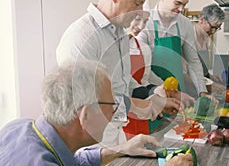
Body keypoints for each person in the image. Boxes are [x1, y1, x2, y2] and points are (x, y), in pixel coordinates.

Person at [0, 60, 193, 166]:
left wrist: (121, 148)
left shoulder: (19, 127)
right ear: (85, 115)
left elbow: (76, 161)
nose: (114, 111)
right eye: (111, 105)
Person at [56, 0, 187, 146]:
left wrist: (153, 95)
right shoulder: (82, 36)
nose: (140, 11)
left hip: (117, 132)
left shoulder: (120, 35)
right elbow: (86, 101)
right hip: (91, 139)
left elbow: (126, 82)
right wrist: (142, 106)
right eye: (137, 3)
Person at [136, 0, 209, 98]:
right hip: (152, 92)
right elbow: (143, 67)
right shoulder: (144, 23)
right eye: (177, 3)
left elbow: (193, 61)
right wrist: (166, 90)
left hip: (178, 91)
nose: (181, 9)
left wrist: (202, 91)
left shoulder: (185, 24)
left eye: (184, 5)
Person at [193, 4, 226, 95]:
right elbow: (185, 72)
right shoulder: (189, 36)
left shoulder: (206, 38)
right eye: (212, 27)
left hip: (201, 89)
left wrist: (210, 77)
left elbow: (200, 70)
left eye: (217, 28)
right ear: (202, 20)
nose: (213, 32)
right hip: (190, 89)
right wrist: (208, 86)